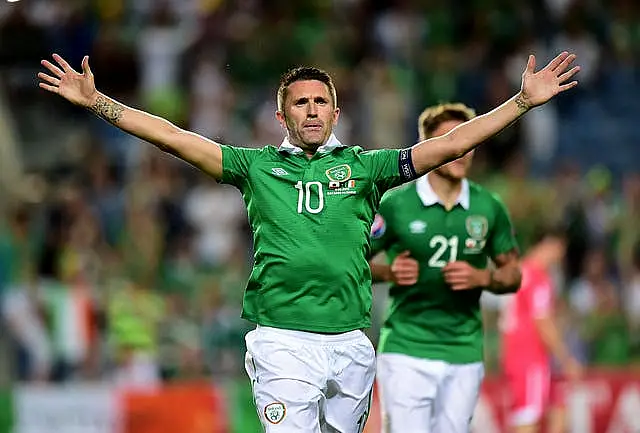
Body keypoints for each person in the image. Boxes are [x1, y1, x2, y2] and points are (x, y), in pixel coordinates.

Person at [38, 51, 580, 432]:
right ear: (282, 115)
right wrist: (99, 104)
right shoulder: (254, 167)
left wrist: (521, 103)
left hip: (350, 341)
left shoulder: (366, 168)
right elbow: (175, 137)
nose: (313, 109)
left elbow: (448, 146)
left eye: (322, 101)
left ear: (336, 112)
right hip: (282, 341)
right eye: (301, 103)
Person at [368, 102, 522, 433]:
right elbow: (351, 263)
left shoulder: (488, 206)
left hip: (464, 348)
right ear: (429, 148)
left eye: (468, 141)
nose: (461, 150)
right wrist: (388, 273)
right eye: (451, 139)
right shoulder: (396, 204)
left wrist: (483, 277)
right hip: (407, 346)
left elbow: (513, 275)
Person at [500, 227, 583, 433]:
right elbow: (542, 322)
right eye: (560, 249)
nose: (560, 256)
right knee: (528, 419)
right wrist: (566, 359)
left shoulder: (519, 271)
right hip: (531, 358)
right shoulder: (538, 278)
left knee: (559, 407)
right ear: (550, 245)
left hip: (516, 354)